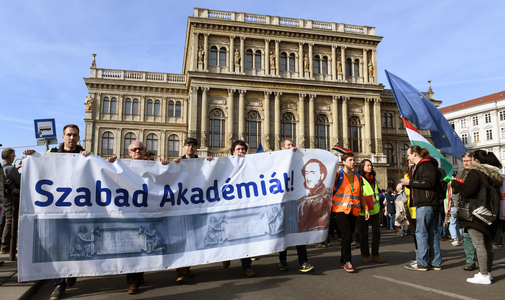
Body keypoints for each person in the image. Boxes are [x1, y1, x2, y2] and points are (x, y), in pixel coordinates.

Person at [23, 124, 91, 300]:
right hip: (57, 210)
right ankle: (59, 284)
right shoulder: (51, 155)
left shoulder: (85, 156)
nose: (72, 138)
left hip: (78, 209)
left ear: (79, 138)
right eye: (69, 135)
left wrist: (90, 158)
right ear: (63, 137)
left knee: (76, 245)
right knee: (58, 247)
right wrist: (32, 157)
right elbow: (38, 169)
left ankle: (72, 272)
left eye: (75, 135)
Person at [107, 140, 168, 293]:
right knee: (133, 245)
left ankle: (139, 274)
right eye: (134, 149)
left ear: (144, 150)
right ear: (129, 152)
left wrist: (165, 165)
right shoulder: (122, 165)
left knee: (144, 245)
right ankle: (133, 281)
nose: (137, 151)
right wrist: (108, 164)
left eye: (140, 149)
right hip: (129, 212)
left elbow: (163, 178)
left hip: (147, 212)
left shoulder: (152, 166)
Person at [451, 150, 503, 284]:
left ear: (477, 161)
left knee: (479, 245)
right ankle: (487, 272)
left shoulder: (476, 172)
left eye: (472, 159)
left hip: (476, 213)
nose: (470, 162)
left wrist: (454, 183)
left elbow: (467, 190)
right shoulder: (492, 174)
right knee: (486, 245)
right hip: (489, 213)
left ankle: (484, 275)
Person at [172, 137, 212, 284]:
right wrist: (169, 165)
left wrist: (210, 163)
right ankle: (181, 271)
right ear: (184, 148)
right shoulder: (177, 163)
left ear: (196, 149)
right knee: (182, 238)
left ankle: (187, 268)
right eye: (188, 145)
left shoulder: (202, 162)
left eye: (193, 146)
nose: (191, 148)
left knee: (193, 238)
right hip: (182, 205)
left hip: (197, 204)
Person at [401, 146, 441, 271]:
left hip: (425, 202)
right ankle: (435, 262)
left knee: (421, 232)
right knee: (431, 233)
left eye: (408, 155)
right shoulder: (421, 165)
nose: (407, 157)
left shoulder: (426, 165)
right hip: (426, 202)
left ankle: (422, 262)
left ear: (414, 154)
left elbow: (429, 183)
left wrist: (410, 182)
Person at [278, 139, 315, 273]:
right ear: (282, 148)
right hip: (283, 203)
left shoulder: (298, 160)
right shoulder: (277, 161)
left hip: (296, 201)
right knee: (284, 234)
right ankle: (282, 261)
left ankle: (304, 262)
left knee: (300, 233)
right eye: (288, 145)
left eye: (292, 144)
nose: (292, 147)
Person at [221, 140, 255, 277]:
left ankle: (246, 266)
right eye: (238, 149)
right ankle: (226, 255)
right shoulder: (225, 165)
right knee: (227, 234)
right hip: (229, 206)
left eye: (243, 149)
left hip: (244, 206)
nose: (241, 151)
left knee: (244, 236)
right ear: (233, 152)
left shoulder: (251, 164)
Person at [333, 152, 369, 273]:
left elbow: (360, 194)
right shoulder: (338, 175)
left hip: (354, 210)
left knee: (347, 236)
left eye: (354, 160)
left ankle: (342, 260)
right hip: (340, 210)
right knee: (347, 234)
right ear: (343, 162)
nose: (353, 162)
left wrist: (366, 208)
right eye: (350, 160)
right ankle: (348, 261)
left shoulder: (358, 176)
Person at [358, 159, 384, 263]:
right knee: (363, 234)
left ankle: (375, 254)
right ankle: (365, 255)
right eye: (368, 165)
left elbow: (377, 193)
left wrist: (381, 205)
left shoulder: (373, 178)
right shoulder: (360, 179)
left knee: (377, 232)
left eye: (371, 165)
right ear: (363, 167)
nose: (370, 167)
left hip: (375, 210)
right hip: (364, 210)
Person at [0, 148, 21, 255]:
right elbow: (19, 180)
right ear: (10, 157)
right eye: (14, 155)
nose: (14, 157)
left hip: (3, 197)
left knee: (3, 220)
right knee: (10, 220)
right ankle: (6, 246)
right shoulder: (10, 168)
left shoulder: (2, 166)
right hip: (10, 197)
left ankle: (2, 244)